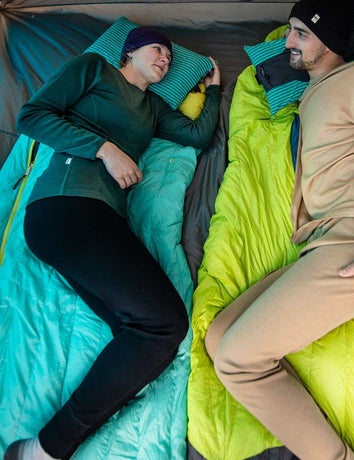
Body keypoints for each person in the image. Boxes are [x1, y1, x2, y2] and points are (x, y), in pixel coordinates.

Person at [204, 0, 354, 458]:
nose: (288, 42)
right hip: (318, 242)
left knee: (237, 361)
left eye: (300, 33)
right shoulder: (307, 95)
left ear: (331, 39)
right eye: (290, 31)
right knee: (218, 338)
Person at [5, 27, 220, 460]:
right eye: (157, 49)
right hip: (65, 207)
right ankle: (45, 448)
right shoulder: (94, 69)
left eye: (169, 57)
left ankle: (89, 415)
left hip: (98, 220)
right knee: (163, 325)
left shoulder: (153, 108)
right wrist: (104, 148)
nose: (165, 60)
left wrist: (213, 91)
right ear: (129, 51)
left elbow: (198, 136)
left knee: (144, 337)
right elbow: (32, 116)